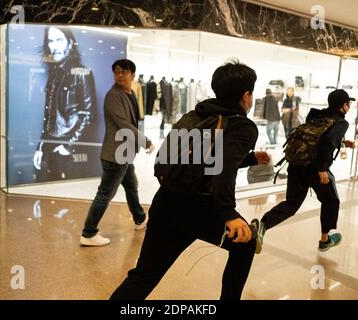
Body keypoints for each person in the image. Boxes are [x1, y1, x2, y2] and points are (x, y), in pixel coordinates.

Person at [110, 60, 271, 300]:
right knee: (245, 245)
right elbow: (222, 170)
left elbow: (206, 159)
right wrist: (229, 214)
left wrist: (249, 159)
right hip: (200, 209)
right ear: (246, 95)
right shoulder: (242, 125)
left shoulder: (198, 114)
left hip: (166, 202)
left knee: (144, 274)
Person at [255, 89, 356, 253]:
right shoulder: (341, 122)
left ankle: (263, 226)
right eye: (348, 103)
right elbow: (327, 143)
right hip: (316, 168)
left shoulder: (316, 115)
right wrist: (322, 169)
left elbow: (318, 138)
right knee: (331, 200)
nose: (349, 106)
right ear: (343, 106)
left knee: (291, 204)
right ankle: (325, 240)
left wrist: (343, 142)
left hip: (296, 164)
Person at [80, 59, 154, 247]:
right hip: (115, 155)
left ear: (132, 75)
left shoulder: (129, 93)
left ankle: (139, 218)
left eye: (124, 72)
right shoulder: (114, 95)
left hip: (124, 153)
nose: (120, 75)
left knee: (131, 185)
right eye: (117, 72)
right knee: (105, 194)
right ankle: (88, 233)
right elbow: (124, 125)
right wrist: (145, 141)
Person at [33, 26, 96, 182]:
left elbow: (88, 116)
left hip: (68, 149)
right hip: (50, 146)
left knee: (66, 201)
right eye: (50, 41)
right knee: (47, 198)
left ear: (69, 43)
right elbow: (48, 116)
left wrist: (69, 146)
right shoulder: (54, 74)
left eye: (59, 40)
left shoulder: (82, 73)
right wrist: (40, 147)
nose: (54, 46)